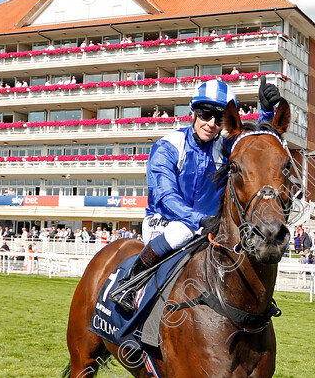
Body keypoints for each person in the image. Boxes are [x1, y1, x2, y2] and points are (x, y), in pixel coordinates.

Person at [110, 77, 281, 311]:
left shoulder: (224, 148)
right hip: (167, 222)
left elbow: (254, 149)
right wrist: (199, 220)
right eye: (205, 114)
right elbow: (165, 197)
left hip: (209, 228)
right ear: (193, 112)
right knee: (182, 232)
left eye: (219, 117)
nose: (211, 123)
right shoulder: (168, 146)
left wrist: (267, 113)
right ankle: (130, 283)